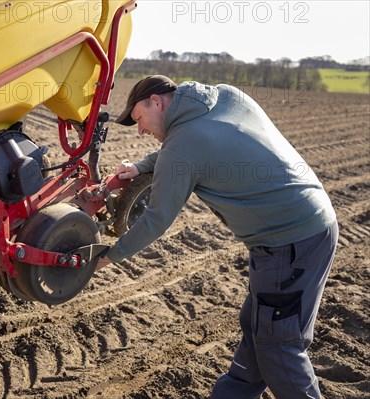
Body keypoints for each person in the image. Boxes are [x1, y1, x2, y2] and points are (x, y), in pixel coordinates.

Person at [99, 75, 338, 399]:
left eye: (139, 119)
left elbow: (156, 219)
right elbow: (192, 147)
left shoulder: (183, 146)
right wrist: (142, 165)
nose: (140, 129)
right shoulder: (225, 97)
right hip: (311, 223)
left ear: (156, 102)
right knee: (259, 331)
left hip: (289, 242)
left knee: (278, 347)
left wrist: (110, 256)